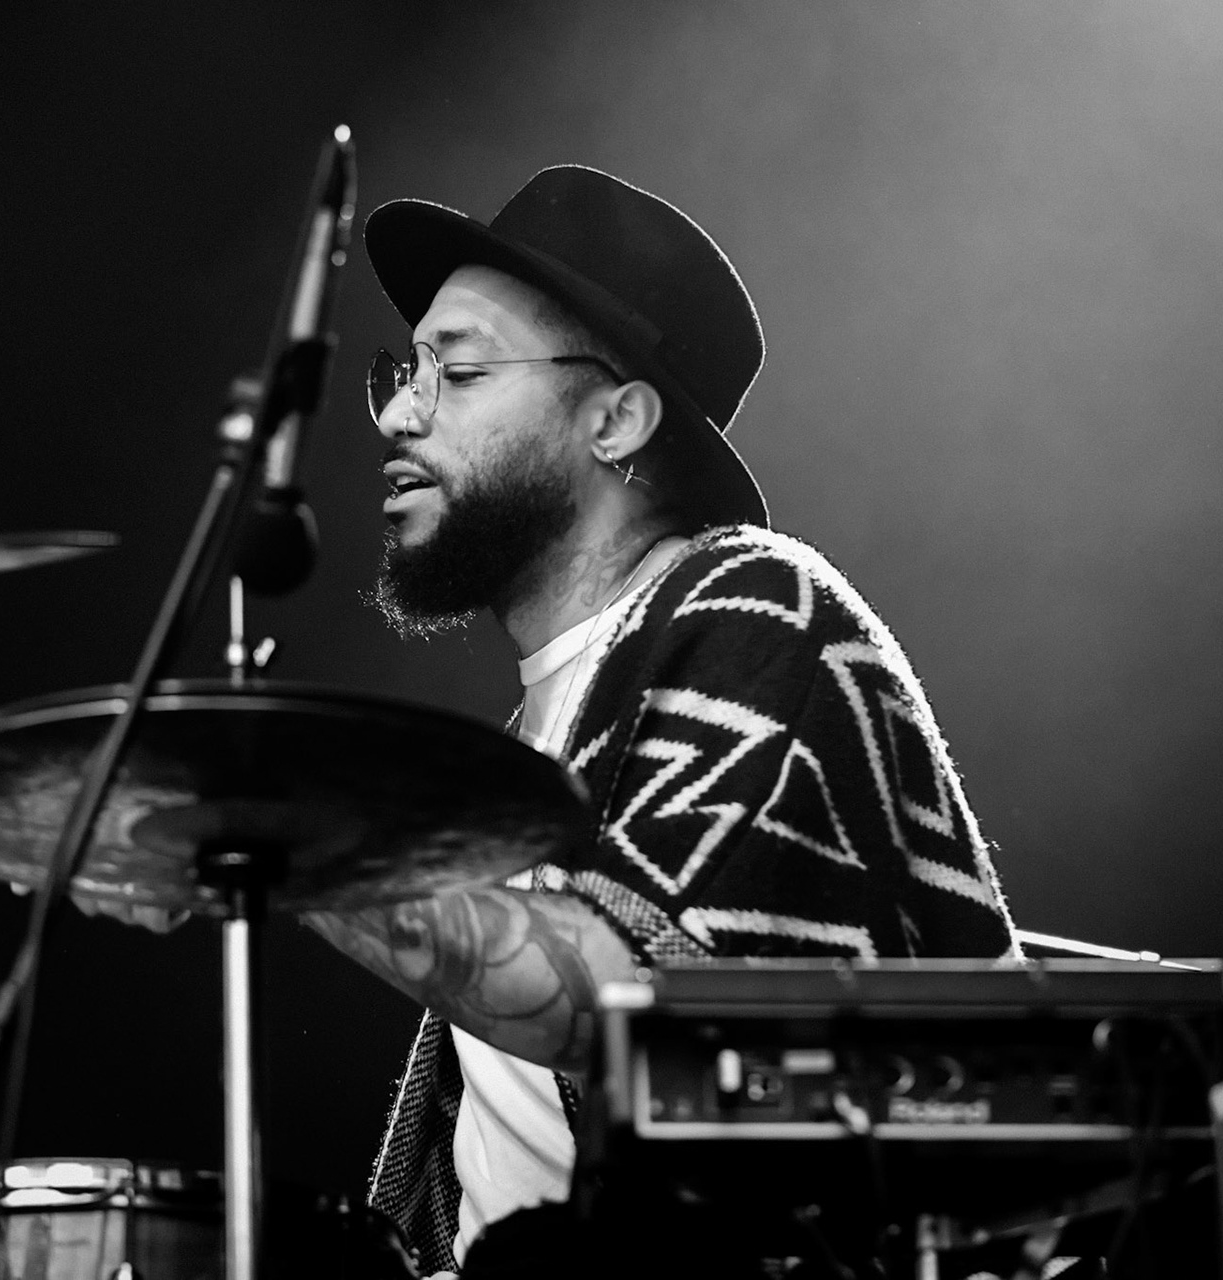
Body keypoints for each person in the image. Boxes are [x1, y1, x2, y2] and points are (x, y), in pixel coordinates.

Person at [289, 165, 1019, 1277]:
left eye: (463, 369)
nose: (399, 410)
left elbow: (636, 1005)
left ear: (618, 418)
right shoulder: (545, 729)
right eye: (403, 369)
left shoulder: (760, 605)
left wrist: (268, 830)